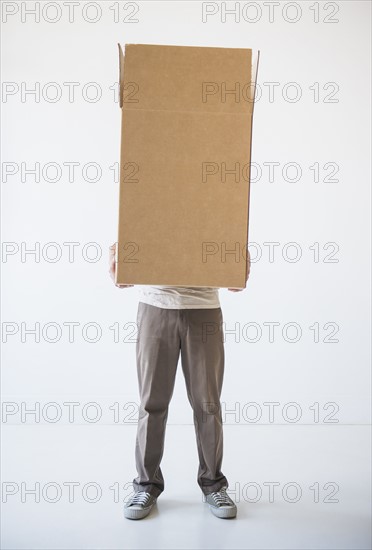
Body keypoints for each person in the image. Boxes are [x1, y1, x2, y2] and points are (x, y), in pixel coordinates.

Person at [109, 243, 251, 520]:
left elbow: (237, 283)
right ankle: (146, 484)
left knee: (207, 403)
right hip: (155, 307)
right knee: (152, 403)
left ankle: (213, 484)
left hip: (204, 308)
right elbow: (121, 277)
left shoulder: (216, 208)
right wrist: (121, 265)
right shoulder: (144, 207)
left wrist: (236, 268)